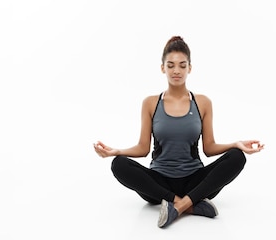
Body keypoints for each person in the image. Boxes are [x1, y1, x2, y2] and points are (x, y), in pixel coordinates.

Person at [93, 36, 264, 229]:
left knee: (237, 157)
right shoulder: (150, 103)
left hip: (195, 182)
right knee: (119, 164)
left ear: (190, 68)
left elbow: (209, 148)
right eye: (171, 65)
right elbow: (143, 148)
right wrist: (115, 151)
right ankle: (191, 206)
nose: (176, 71)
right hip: (159, 184)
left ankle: (178, 206)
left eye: (182, 65)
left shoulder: (202, 103)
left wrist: (236, 144)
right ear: (162, 68)